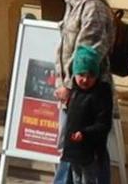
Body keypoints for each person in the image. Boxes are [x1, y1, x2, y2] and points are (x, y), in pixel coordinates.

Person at [51, 35, 116, 184]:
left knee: (89, 179)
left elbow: (104, 123)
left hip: (91, 150)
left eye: (90, 75)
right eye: (81, 75)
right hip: (74, 150)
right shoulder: (73, 90)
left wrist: (85, 133)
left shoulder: (100, 93)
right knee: (75, 178)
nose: (85, 80)